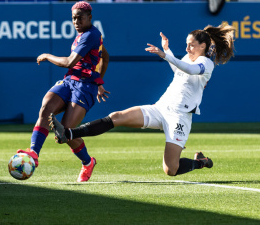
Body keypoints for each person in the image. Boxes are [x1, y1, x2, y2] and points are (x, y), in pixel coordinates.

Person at [50, 23, 235, 178]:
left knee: (171, 169)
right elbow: (180, 70)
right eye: (186, 44)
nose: (187, 48)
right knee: (117, 116)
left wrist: (165, 55)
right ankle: (69, 134)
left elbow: (191, 70)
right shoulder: (188, 57)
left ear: (203, 46)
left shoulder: (206, 63)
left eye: (191, 45)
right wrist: (167, 50)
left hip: (180, 117)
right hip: (161, 108)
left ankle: (199, 162)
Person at [16, 1, 110, 182]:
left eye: (80, 18)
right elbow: (104, 56)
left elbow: (69, 62)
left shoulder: (91, 35)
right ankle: (34, 153)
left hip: (85, 87)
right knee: (45, 108)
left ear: (89, 18)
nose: (76, 21)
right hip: (69, 81)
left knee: (65, 134)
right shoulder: (85, 35)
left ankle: (88, 162)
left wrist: (47, 56)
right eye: (73, 18)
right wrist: (100, 80)